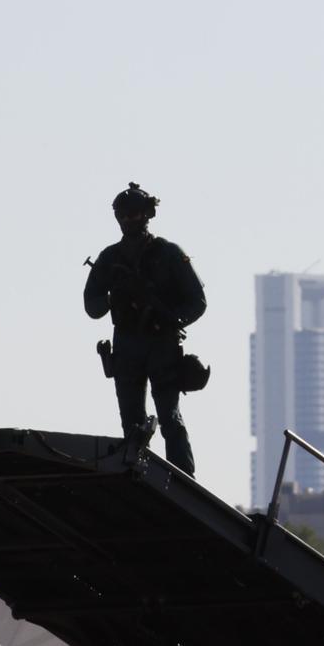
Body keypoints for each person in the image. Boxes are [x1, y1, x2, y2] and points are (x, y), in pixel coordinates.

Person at [83, 182, 208, 475]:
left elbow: (197, 302)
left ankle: (183, 480)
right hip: (126, 346)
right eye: (123, 215)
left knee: (169, 419)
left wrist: (169, 319)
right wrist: (113, 295)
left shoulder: (168, 253)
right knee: (132, 423)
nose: (129, 221)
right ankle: (137, 479)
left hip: (161, 345)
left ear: (147, 215)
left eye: (134, 214)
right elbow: (92, 306)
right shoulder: (110, 258)